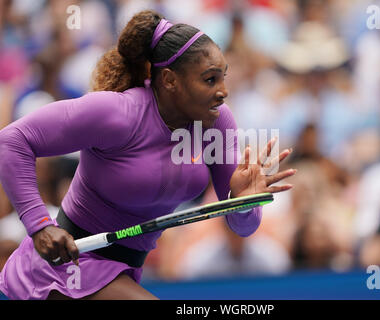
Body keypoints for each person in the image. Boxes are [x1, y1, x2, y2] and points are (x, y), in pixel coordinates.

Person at [0, 10, 296, 300]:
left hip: (125, 271)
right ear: (169, 80)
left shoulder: (217, 123)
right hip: (65, 267)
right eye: (209, 80)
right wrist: (39, 225)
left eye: (223, 78)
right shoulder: (117, 113)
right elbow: (13, 140)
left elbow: (244, 228)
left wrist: (243, 203)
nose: (223, 91)